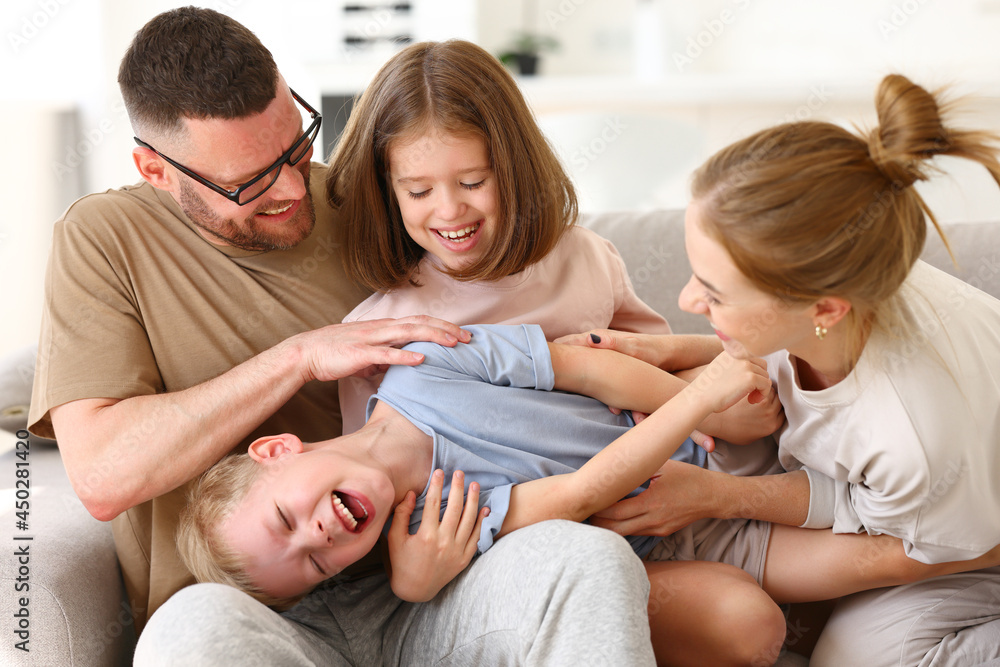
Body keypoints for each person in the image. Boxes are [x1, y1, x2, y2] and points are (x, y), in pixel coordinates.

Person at [27, 8, 660, 666]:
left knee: (586, 561)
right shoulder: (105, 239)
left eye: (297, 147)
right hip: (257, 611)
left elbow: (527, 326)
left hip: (447, 578)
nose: (295, 188)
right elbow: (102, 475)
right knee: (187, 633)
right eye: (250, 181)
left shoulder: (373, 202)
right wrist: (299, 357)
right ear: (157, 171)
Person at [572, 73, 1000, 665]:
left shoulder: (910, 433)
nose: (687, 302)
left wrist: (720, 497)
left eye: (715, 295)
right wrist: (677, 352)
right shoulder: (852, 271)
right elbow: (784, 357)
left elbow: (921, 544)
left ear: (825, 307)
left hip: (964, 540)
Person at [178, 323, 787, 665]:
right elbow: (576, 497)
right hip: (665, 497)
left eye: (286, 518)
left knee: (773, 392)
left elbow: (585, 367)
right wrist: (700, 404)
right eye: (314, 565)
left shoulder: (421, 365)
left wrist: (702, 402)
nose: (319, 535)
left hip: (667, 414)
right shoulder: (431, 525)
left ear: (277, 449)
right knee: (773, 605)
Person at [326, 39, 781, 450]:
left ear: (514, 168)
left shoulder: (586, 258)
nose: (448, 211)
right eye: (419, 192)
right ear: (388, 193)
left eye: (472, 182)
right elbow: (367, 463)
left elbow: (661, 362)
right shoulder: (381, 332)